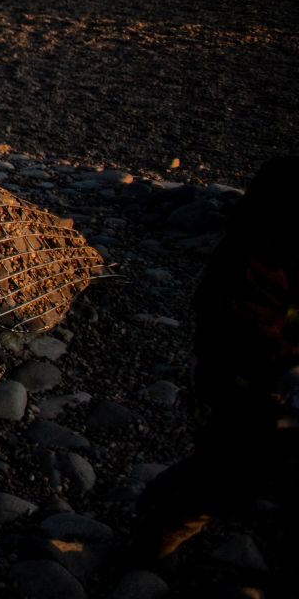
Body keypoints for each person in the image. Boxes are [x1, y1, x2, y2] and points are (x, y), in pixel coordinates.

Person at [135, 156, 299, 561]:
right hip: (248, 380)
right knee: (229, 471)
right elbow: (236, 313)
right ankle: (156, 529)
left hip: (268, 373)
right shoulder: (270, 226)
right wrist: (284, 373)